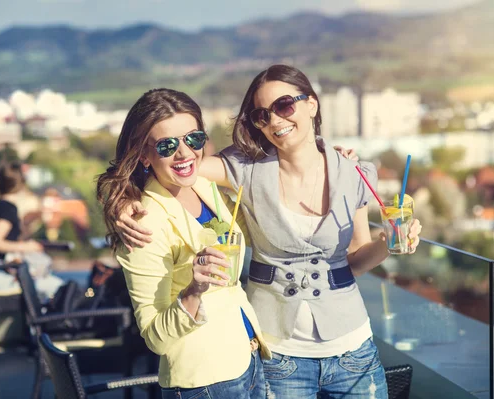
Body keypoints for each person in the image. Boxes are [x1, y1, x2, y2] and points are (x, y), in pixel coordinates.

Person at [115, 65, 422, 398]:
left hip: (350, 345)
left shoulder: (353, 172)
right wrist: (120, 199)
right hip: (278, 353)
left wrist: (388, 243)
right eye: (262, 115)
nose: (275, 120)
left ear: (312, 105)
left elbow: (356, 260)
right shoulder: (242, 170)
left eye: (285, 105)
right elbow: (167, 167)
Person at [96, 88, 271, 399]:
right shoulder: (143, 223)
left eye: (194, 139)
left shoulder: (204, 186)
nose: (184, 153)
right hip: (205, 383)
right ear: (144, 156)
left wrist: (327, 157)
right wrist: (193, 292)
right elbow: (155, 338)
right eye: (166, 145)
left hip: (248, 360)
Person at [0, 162, 64, 300]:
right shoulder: (7, 208)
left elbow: (8, 237)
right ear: (21, 183)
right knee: (55, 288)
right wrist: (28, 247)